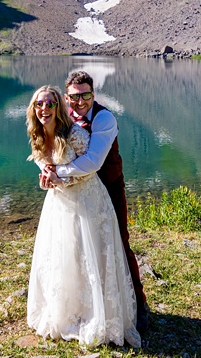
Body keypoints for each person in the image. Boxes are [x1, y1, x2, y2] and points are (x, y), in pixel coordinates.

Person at [25, 85, 141, 348]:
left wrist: (61, 177)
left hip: (87, 200)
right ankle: (70, 310)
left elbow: (90, 168)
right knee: (65, 254)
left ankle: (99, 313)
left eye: (50, 104)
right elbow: (44, 163)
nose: (44, 109)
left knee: (91, 255)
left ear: (59, 106)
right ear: (33, 109)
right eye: (39, 104)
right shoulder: (38, 133)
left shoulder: (75, 133)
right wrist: (47, 180)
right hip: (59, 203)